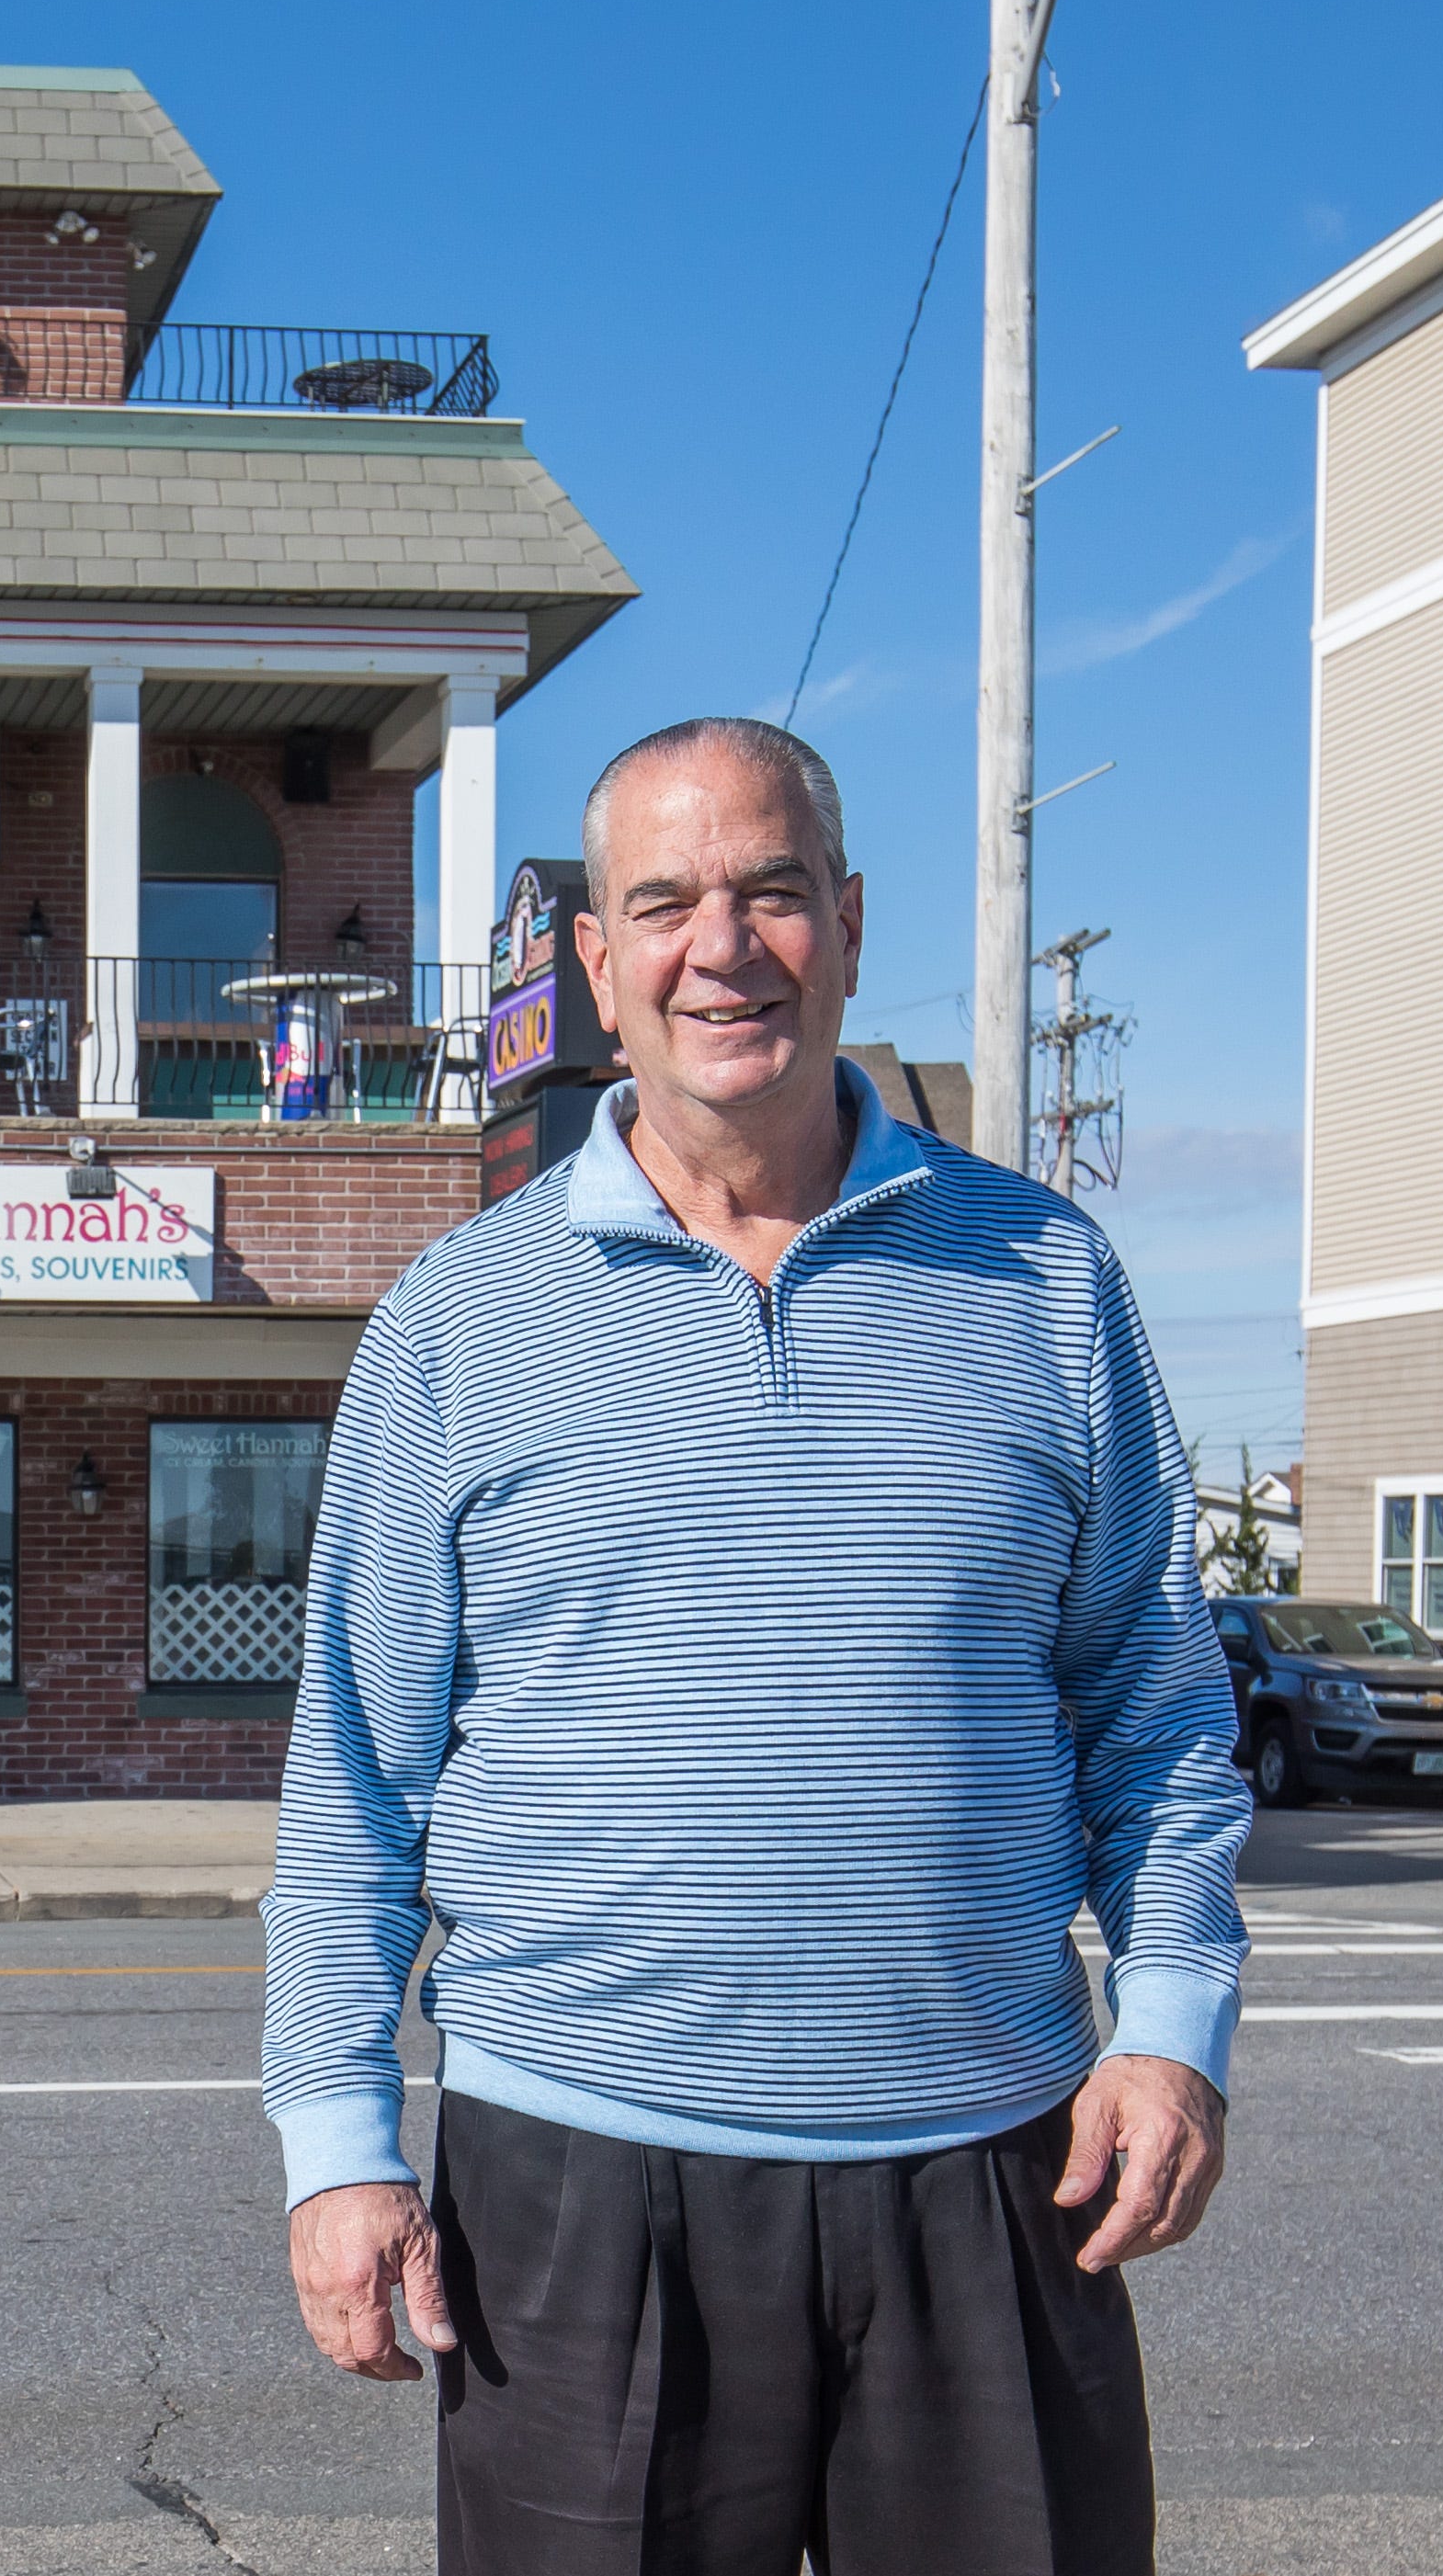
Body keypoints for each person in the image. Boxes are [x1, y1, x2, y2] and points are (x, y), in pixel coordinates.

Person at [262, 716, 1248, 2576]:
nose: (724, 945)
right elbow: (356, 1773)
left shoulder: (1044, 1279)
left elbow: (1158, 1709)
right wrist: (338, 2143)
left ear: (852, 925)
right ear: (597, 970)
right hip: (576, 2195)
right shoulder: (459, 1321)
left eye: (772, 890)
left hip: (988, 2170)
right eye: (666, 903)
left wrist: (1177, 2024)